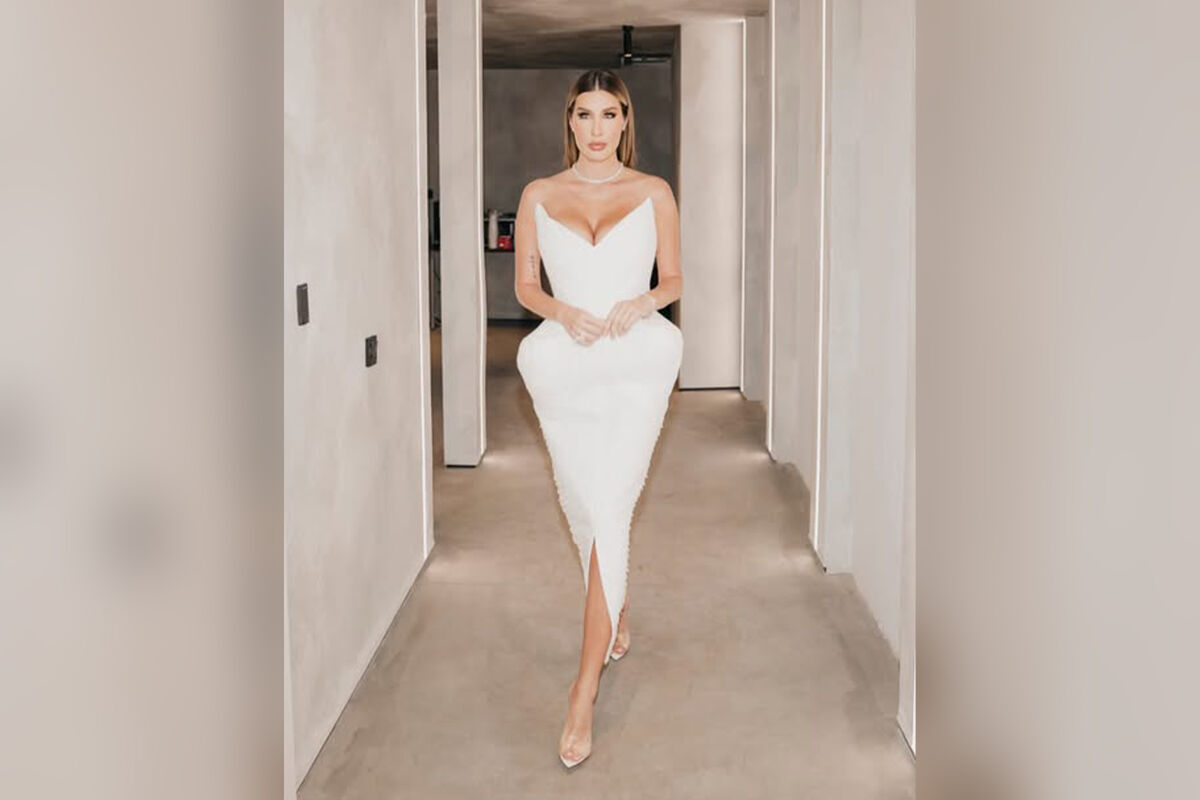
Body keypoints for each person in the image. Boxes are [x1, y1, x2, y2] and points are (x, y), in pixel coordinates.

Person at [512, 68, 684, 769]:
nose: (596, 129)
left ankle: (582, 692)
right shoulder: (538, 194)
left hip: (636, 365)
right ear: (570, 121)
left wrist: (644, 302)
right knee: (584, 504)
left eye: (609, 115)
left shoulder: (654, 192)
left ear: (625, 121)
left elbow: (674, 278)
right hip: (566, 365)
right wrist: (562, 311)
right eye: (584, 115)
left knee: (611, 508)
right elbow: (526, 285)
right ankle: (618, 605)